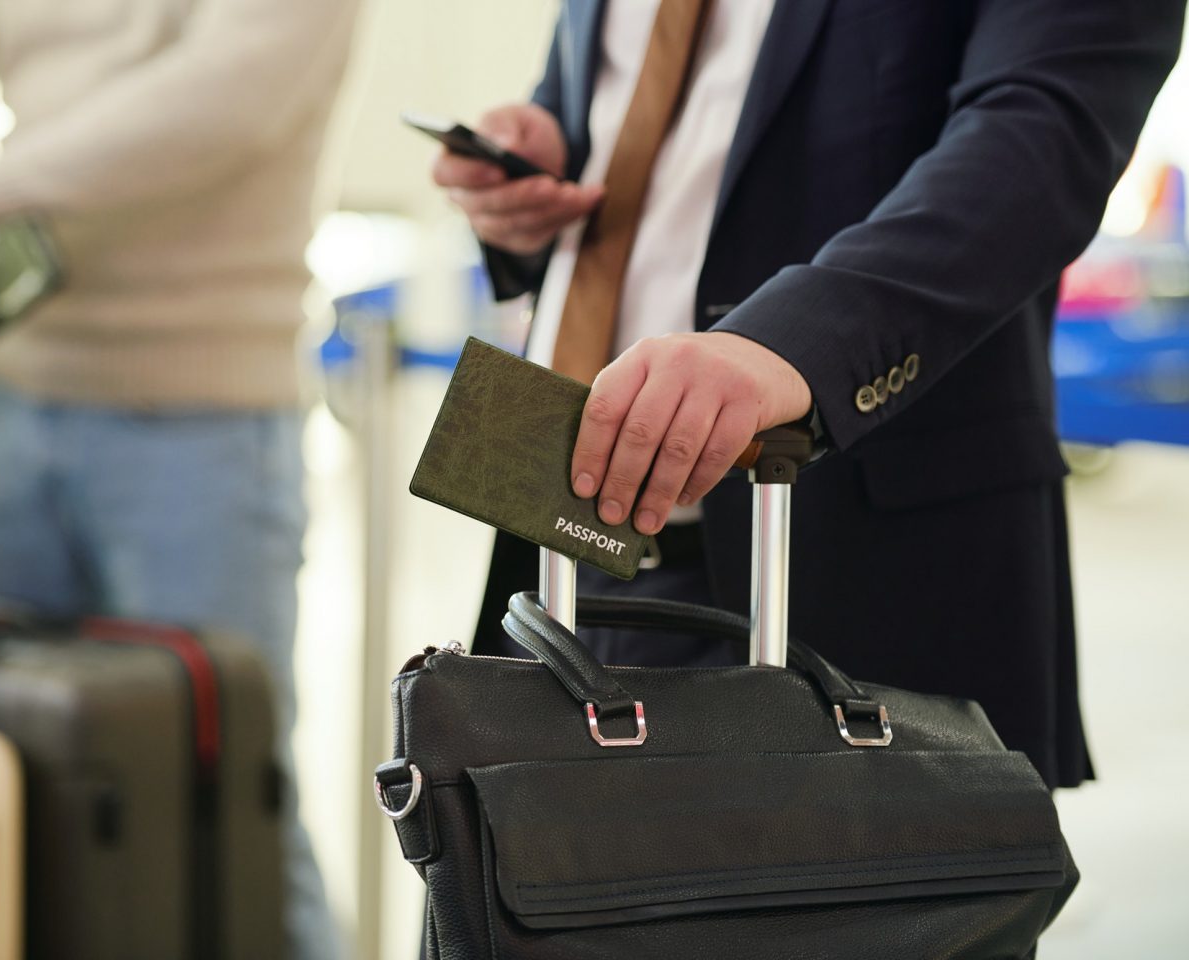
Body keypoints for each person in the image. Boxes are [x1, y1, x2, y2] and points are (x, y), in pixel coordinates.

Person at [438, 0, 1186, 791]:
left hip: (844, 566)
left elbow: (1041, 135)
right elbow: (640, 128)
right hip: (552, 533)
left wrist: (795, 342)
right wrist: (534, 176)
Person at [0, 0, 361, 956]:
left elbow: (223, 104)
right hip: (4, 391)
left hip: (204, 424)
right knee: (8, 782)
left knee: (229, 797)